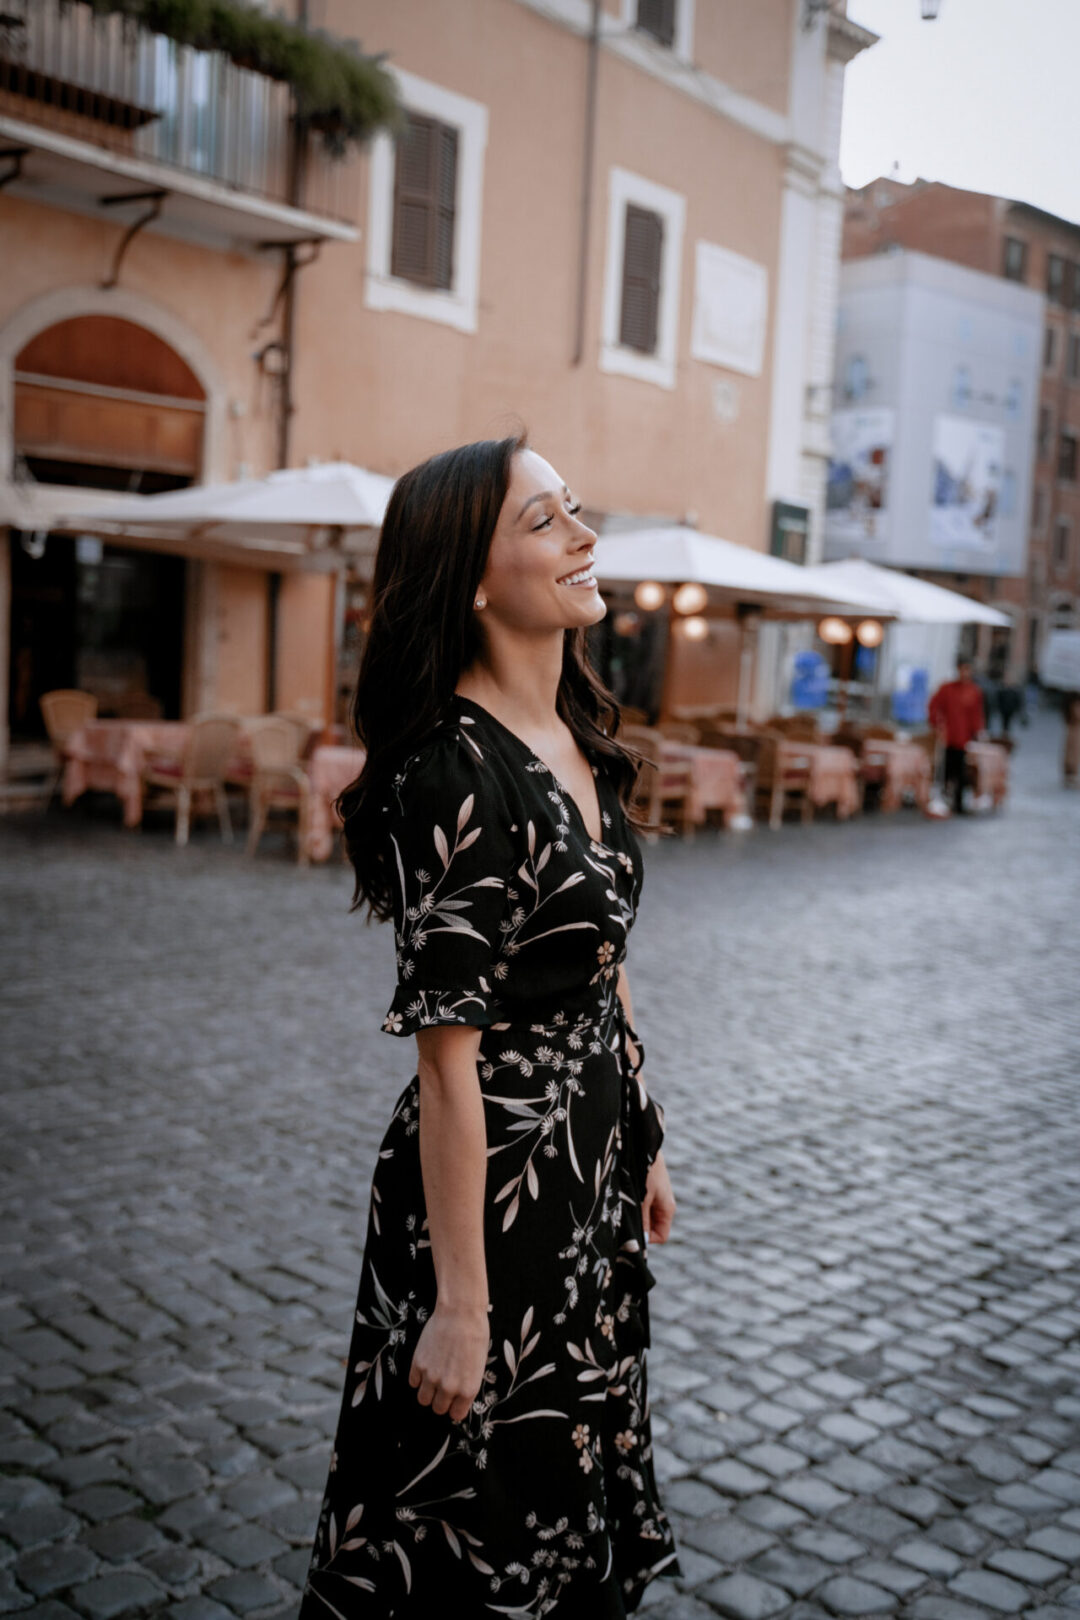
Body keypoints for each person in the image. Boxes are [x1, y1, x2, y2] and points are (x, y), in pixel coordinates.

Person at [299, 436, 680, 1618]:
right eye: (545, 521)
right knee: (467, 1514)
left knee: (566, 1477)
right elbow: (447, 1057)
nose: (583, 536)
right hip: (495, 1192)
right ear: (472, 577)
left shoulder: (579, 741)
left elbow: (603, 960)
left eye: (576, 508)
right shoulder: (450, 773)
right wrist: (461, 1303)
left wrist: (646, 1132)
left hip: (586, 1172)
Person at [928, 657, 986, 814]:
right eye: (962, 669)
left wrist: (977, 731)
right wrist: (936, 724)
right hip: (948, 736)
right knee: (946, 768)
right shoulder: (947, 689)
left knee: (961, 770)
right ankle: (945, 797)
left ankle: (958, 802)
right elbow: (934, 706)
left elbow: (976, 713)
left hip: (963, 737)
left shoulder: (974, 691)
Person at [1064, 691, 1080, 787]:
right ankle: (1071, 775)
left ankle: (1070, 775)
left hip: (1074, 731)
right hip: (1075, 732)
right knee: (1073, 754)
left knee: (1072, 753)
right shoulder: (1075, 704)